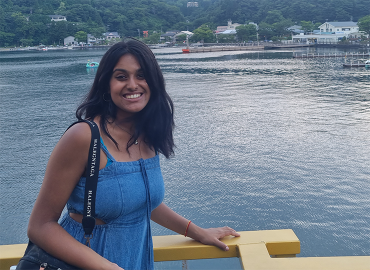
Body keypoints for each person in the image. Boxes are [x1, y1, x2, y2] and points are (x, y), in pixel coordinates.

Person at [24, 39, 240, 270]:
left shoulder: (147, 136)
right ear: (106, 84)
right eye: (121, 77)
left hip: (135, 260)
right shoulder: (84, 137)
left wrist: (196, 231)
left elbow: (140, 200)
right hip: (86, 261)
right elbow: (40, 225)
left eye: (141, 75)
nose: (133, 84)